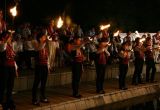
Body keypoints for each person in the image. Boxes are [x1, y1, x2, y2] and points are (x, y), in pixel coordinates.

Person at [0, 31, 18, 110]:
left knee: (10, 86)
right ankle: (0, 102)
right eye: (8, 37)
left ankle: (9, 101)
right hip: (4, 68)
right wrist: (6, 41)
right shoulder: (1, 44)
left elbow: (13, 58)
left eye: (10, 37)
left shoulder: (11, 45)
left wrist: (16, 69)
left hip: (11, 68)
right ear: (3, 38)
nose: (10, 38)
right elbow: (2, 49)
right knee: (2, 86)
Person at [32, 29, 49, 105]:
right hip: (39, 66)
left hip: (44, 66)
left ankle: (43, 97)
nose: (45, 38)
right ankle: (34, 99)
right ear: (40, 38)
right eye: (43, 37)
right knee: (36, 83)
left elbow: (46, 57)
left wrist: (48, 67)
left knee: (43, 83)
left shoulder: (44, 46)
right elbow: (39, 48)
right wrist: (44, 42)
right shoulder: (36, 44)